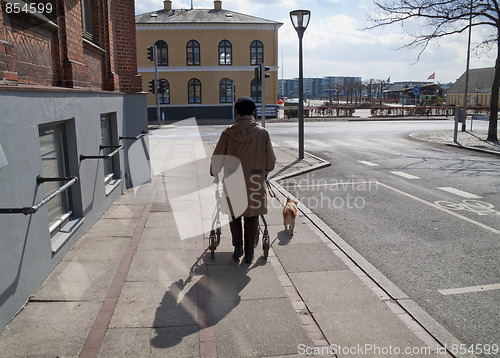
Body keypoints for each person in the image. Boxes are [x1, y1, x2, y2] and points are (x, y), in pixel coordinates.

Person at [210, 97, 276, 263]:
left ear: (237, 111)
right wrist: (265, 172)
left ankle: (237, 247)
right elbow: (271, 161)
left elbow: (218, 158)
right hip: (254, 179)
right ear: (253, 111)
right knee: (252, 216)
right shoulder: (262, 133)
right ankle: (249, 253)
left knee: (234, 215)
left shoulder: (228, 133)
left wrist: (214, 172)